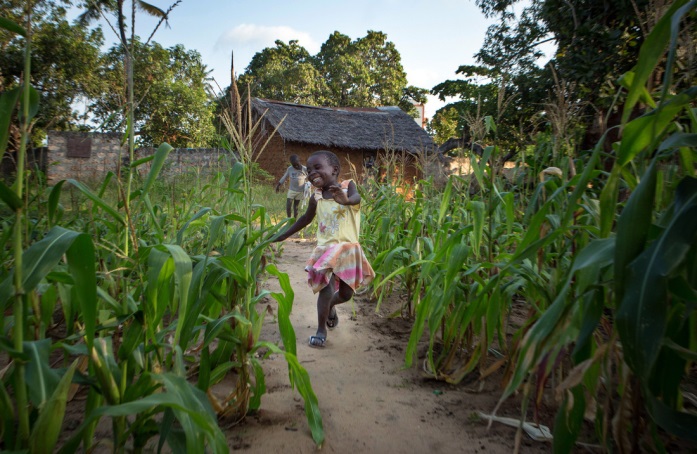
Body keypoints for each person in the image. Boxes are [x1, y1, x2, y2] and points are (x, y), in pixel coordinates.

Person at [274, 150, 375, 348]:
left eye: (317, 168)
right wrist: (282, 235)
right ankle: (321, 330)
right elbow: (304, 220)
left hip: (348, 250)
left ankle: (331, 307)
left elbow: (356, 199)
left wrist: (345, 201)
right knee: (325, 289)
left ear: (334, 169)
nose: (312, 173)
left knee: (346, 294)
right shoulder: (316, 197)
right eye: (309, 170)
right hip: (326, 251)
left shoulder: (347, 187)